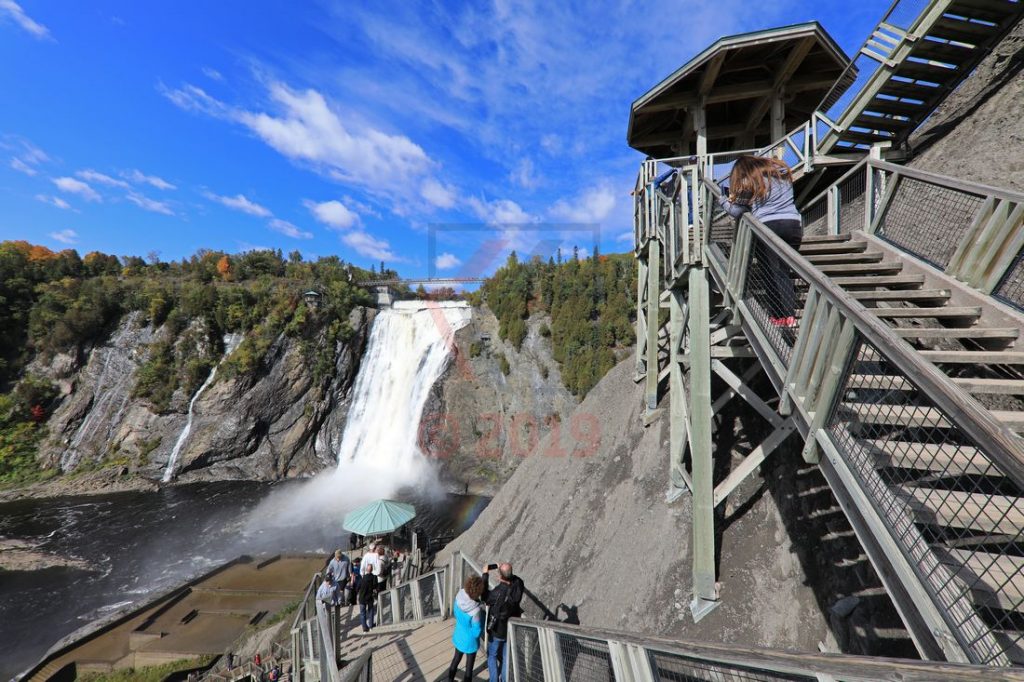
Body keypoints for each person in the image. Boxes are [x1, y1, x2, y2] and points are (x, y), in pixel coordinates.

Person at [719, 155, 803, 327]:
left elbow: (737, 211)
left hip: (768, 228)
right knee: (783, 271)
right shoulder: (781, 176)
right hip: (793, 225)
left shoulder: (752, 180)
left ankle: (781, 317)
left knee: (771, 274)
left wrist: (723, 201)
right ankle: (788, 316)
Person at [482, 563, 524, 682]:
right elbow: (515, 579)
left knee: (492, 656)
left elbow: (484, 597)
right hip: (510, 627)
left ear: (500, 576)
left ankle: (494, 680)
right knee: (506, 657)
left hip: (497, 630)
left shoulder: (498, 592)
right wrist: (506, 572)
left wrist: (485, 574)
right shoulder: (519, 584)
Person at [447, 576, 485, 682]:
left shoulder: (459, 595)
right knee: (469, 668)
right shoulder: (475, 610)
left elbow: (455, 612)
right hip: (470, 641)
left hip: (459, 635)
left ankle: (450, 680)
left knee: (456, 660)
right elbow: (477, 631)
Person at [357, 564, 379, 632]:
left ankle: (364, 627)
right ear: (372, 570)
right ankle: (371, 624)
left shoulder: (362, 579)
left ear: (366, 570)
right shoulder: (374, 577)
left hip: (362, 598)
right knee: (371, 611)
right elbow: (375, 586)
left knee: (362, 613)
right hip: (370, 597)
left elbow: (357, 588)